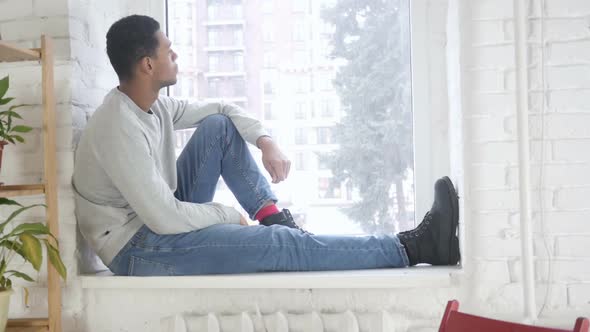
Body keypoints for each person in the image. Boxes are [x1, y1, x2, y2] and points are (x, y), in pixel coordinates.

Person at [72, 15, 460, 276]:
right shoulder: (117, 127)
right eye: (167, 50)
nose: (175, 56)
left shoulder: (151, 105)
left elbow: (222, 109)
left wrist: (265, 140)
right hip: (137, 248)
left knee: (219, 127)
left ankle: (275, 217)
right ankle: (414, 247)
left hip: (155, 219)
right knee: (278, 247)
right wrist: (227, 214)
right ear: (147, 65)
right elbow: (164, 219)